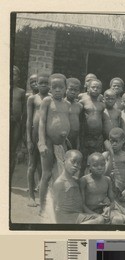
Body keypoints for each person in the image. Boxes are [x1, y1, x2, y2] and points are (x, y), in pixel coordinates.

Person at [38, 73, 71, 215]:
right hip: (49, 142)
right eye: (54, 87)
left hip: (61, 143)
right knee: (46, 174)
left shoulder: (67, 103)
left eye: (61, 87)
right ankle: (42, 206)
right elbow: (42, 122)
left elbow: (63, 120)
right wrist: (41, 142)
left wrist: (65, 136)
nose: (57, 90)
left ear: (65, 89)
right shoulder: (47, 101)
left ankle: (57, 204)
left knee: (61, 174)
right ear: (50, 88)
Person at [80, 152, 125, 224]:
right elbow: (82, 205)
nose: (100, 167)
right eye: (95, 165)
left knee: (119, 220)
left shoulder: (107, 180)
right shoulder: (84, 180)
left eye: (102, 165)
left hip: (104, 209)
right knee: (100, 220)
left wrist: (109, 208)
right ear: (89, 166)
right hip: (90, 211)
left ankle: (115, 218)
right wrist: (96, 215)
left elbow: (112, 202)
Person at [53, 150, 104, 224]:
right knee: (99, 220)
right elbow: (56, 208)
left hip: (78, 215)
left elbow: (81, 204)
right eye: (73, 161)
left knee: (100, 218)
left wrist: (95, 214)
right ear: (64, 160)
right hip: (67, 218)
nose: (76, 165)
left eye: (79, 163)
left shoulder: (76, 180)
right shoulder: (60, 183)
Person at [26, 72, 51, 207]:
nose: (42, 85)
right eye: (40, 83)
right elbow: (29, 121)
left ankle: (42, 196)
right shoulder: (32, 99)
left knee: (44, 167)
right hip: (35, 135)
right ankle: (31, 196)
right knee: (32, 165)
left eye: (46, 83)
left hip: (46, 137)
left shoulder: (51, 99)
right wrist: (29, 139)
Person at [102, 128, 125, 217]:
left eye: (117, 141)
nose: (114, 144)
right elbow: (104, 175)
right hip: (109, 193)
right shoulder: (105, 155)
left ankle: (116, 211)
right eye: (111, 141)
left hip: (121, 192)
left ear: (123, 141)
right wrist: (111, 154)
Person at [80, 78, 105, 176]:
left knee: (95, 161)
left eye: (98, 88)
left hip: (97, 138)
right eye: (93, 87)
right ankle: (81, 182)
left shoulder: (102, 105)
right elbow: (80, 121)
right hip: (86, 137)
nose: (95, 89)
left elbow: (102, 120)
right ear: (88, 89)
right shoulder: (83, 102)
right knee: (83, 162)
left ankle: (93, 184)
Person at [10, 65, 26, 180]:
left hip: (16, 125)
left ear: (18, 77)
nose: (12, 76)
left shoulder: (21, 92)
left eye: (14, 74)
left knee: (12, 150)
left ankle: (8, 177)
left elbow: (23, 112)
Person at [65, 78, 83, 150]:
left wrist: (78, 142)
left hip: (74, 139)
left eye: (76, 90)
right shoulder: (62, 104)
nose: (73, 92)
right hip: (64, 138)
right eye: (71, 89)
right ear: (65, 89)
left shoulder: (79, 106)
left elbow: (79, 125)